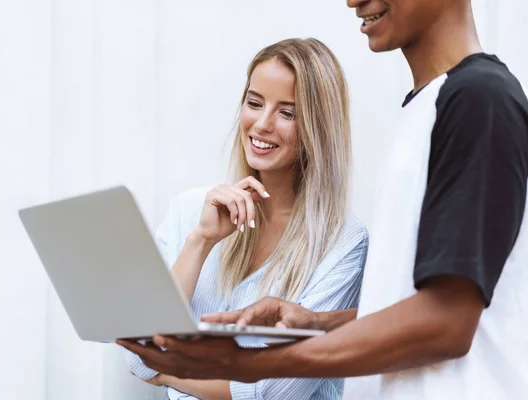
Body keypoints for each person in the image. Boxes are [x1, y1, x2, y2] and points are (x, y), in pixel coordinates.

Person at [118, 1, 528, 399]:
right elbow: (419, 304)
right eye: (255, 102)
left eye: (288, 112)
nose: (353, 1)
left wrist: (249, 365)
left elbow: (448, 323)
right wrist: (320, 322)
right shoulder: (427, 108)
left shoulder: (479, 99)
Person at [123, 38, 368, 400]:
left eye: (288, 113)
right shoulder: (191, 211)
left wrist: (167, 373)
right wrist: (201, 240)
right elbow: (140, 356)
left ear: (318, 128)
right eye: (254, 103)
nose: (262, 124)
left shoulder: (344, 240)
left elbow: (279, 393)